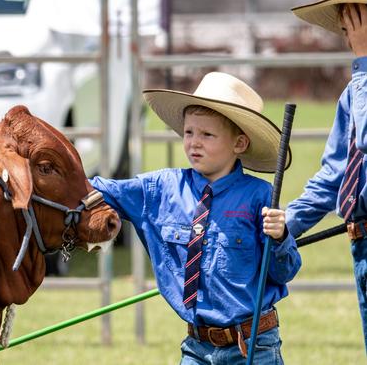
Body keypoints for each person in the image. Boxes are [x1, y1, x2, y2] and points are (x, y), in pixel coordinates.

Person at [90, 72, 301, 364]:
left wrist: (280, 237)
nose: (194, 143)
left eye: (207, 135)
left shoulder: (260, 196)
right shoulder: (161, 190)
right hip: (197, 347)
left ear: (239, 144)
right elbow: (102, 190)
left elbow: (285, 271)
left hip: (253, 345)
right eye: (189, 132)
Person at [289, 0, 367, 354]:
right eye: (348, 25)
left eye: (357, 20)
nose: (351, 34)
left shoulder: (361, 83)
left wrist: (365, 63)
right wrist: (284, 227)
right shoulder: (354, 94)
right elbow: (334, 175)